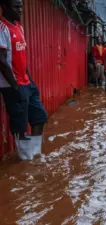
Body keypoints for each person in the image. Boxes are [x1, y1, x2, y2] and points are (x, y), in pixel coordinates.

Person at [0, 0, 48, 160]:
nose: (20, 10)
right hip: (12, 86)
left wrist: (32, 82)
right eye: (16, 7)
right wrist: (15, 86)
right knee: (20, 126)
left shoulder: (19, 27)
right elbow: (1, 61)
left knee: (39, 117)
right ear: (4, 6)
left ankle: (34, 155)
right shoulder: (2, 28)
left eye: (21, 6)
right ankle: (24, 160)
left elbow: (22, 58)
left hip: (27, 83)